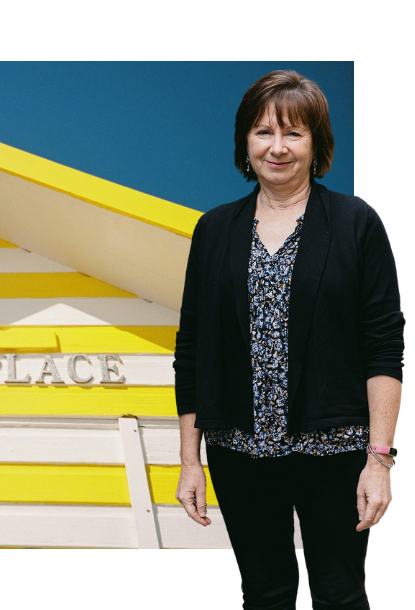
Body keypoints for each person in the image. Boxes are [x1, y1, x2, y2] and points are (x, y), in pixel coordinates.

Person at [173, 70, 404, 609]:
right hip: (239, 452)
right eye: (262, 132)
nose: (277, 147)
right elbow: (193, 350)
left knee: (340, 593)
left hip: (335, 451)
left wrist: (379, 460)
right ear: (244, 143)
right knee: (265, 593)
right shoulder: (214, 230)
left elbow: (383, 345)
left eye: (294, 133)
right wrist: (190, 460)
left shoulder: (354, 223)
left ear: (316, 143)